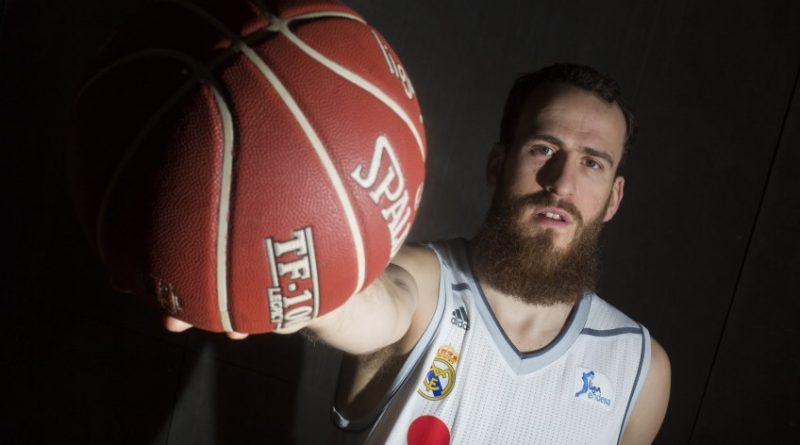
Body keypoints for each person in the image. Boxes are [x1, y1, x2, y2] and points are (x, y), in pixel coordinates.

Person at [166, 63, 671, 444]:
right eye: (543, 149)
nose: (562, 183)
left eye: (592, 163)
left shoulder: (639, 369)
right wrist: (272, 274)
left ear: (615, 197)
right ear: (498, 164)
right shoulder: (423, 281)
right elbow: (367, 306)